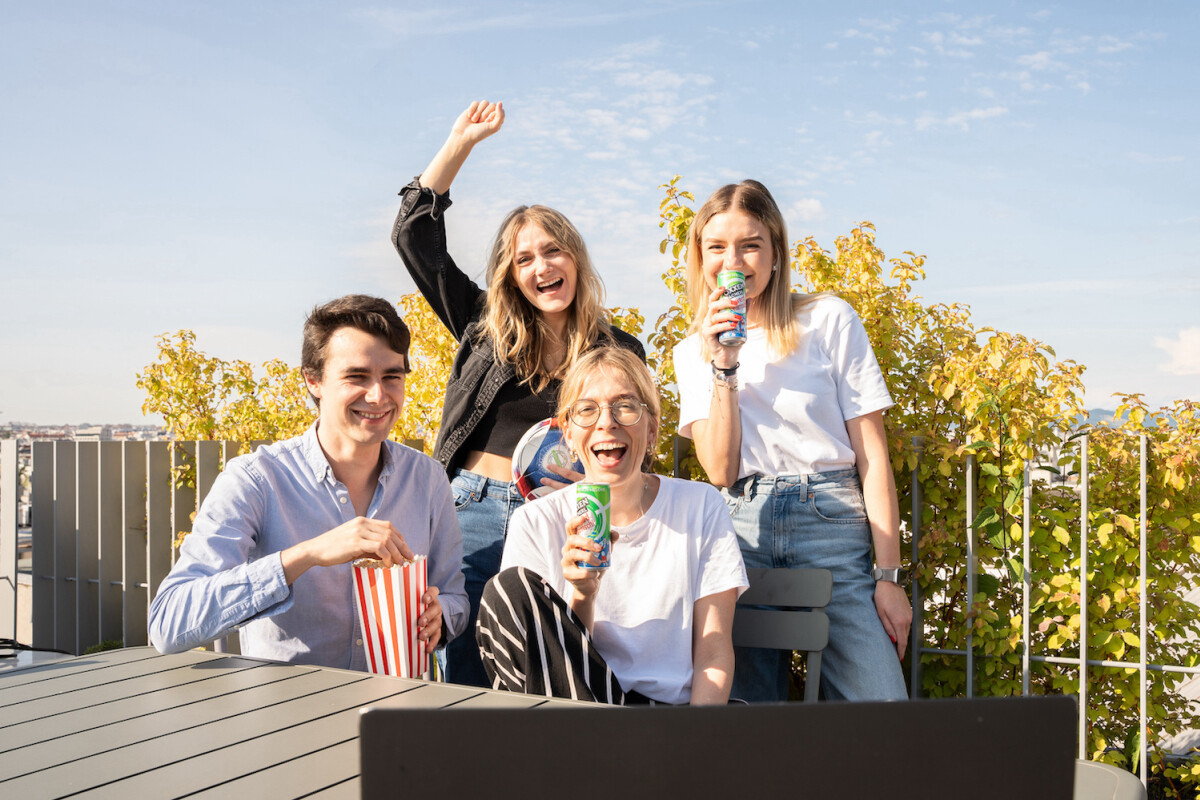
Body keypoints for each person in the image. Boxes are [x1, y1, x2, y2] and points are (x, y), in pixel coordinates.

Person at [390, 100, 645, 687]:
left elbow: (631, 444)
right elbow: (413, 236)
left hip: (569, 515)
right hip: (476, 511)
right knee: (469, 678)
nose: (541, 267)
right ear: (510, 274)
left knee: (554, 668)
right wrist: (460, 143)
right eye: (523, 258)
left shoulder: (619, 347)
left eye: (553, 251)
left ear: (575, 259)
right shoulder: (484, 323)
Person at [672, 180, 911, 702]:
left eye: (750, 244)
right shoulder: (691, 352)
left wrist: (888, 576)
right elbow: (719, 471)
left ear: (775, 251)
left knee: (881, 705)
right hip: (740, 528)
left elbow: (873, 455)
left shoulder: (828, 319)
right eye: (717, 247)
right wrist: (723, 364)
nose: (733, 260)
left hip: (830, 520)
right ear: (699, 256)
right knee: (748, 713)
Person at [148, 294, 468, 669]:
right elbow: (168, 624)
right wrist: (307, 555)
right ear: (313, 381)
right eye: (356, 376)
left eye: (392, 377)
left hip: (395, 713)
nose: (378, 395)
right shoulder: (256, 480)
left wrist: (440, 615)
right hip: (286, 717)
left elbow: (454, 598)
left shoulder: (427, 478)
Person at [476, 347, 747, 705]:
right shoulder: (537, 521)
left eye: (625, 406)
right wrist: (583, 594)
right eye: (587, 410)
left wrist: (693, 746)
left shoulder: (699, 506)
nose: (607, 422)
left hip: (669, 722)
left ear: (651, 429)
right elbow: (546, 665)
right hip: (580, 715)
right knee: (508, 590)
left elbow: (713, 649)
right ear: (568, 434)